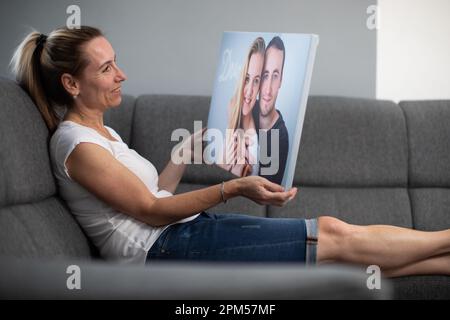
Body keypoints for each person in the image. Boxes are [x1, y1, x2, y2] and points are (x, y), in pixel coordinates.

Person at [11, 26, 450, 277]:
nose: (122, 74)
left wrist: (181, 155)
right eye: (107, 68)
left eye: (116, 61)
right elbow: (147, 210)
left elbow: (152, 197)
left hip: (180, 232)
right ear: (71, 84)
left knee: (334, 252)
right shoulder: (74, 144)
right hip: (165, 250)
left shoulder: (102, 135)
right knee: (331, 234)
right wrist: (233, 187)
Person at [218, 37, 265, 177]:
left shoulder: (264, 126)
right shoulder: (232, 107)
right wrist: (226, 166)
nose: (249, 91)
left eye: (256, 81)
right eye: (247, 78)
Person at [253, 36, 289, 185]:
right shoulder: (246, 111)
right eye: (265, 75)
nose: (267, 89)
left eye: (275, 76)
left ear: (281, 80)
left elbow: (267, 194)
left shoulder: (281, 136)